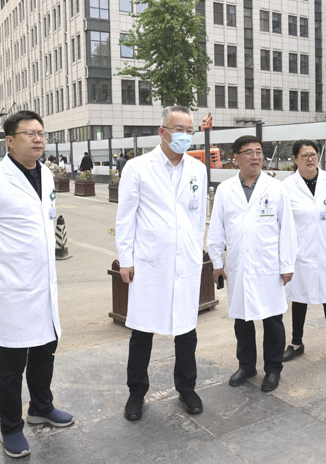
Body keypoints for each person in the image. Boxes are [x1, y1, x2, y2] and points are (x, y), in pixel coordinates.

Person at [0, 111, 74, 459]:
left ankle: (41, 406)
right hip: (12, 287)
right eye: (30, 133)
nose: (38, 139)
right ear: (9, 141)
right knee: (11, 363)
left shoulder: (46, 175)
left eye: (41, 133)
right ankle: (11, 427)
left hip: (44, 283)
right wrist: (1, 259)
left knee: (45, 350)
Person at [115, 106, 208, 421]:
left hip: (186, 261)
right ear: (162, 132)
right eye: (179, 129)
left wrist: (195, 251)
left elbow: (198, 216)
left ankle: (187, 387)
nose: (185, 136)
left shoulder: (197, 169)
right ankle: (136, 392)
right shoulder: (138, 167)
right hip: (150, 263)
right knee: (143, 331)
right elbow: (126, 217)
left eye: (189, 130)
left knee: (186, 330)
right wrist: (126, 259)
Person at [207, 135, 297, 393]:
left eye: (259, 152)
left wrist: (287, 264)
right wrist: (216, 262)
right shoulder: (225, 190)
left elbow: (287, 229)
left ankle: (273, 369)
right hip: (239, 265)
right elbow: (216, 228)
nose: (256, 157)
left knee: (272, 320)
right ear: (236, 157)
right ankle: (246, 366)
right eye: (249, 152)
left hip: (269, 265)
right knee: (242, 320)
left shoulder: (276, 188)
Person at [282, 140, 326, 364]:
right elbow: (285, 221)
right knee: (299, 298)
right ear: (295, 159)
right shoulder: (287, 186)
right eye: (305, 155)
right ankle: (296, 343)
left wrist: (324, 234)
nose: (310, 159)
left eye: (313, 154)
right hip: (301, 252)